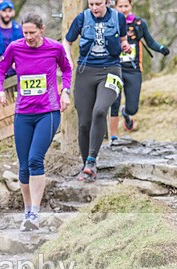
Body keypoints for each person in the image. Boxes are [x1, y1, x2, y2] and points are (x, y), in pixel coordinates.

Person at [0, 12, 72, 231]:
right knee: (24, 166)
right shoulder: (15, 48)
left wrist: (65, 91)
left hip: (48, 112)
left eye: (32, 32)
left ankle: (35, 213)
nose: (28, 37)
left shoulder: (55, 48)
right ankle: (27, 212)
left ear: (42, 29)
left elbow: (66, 69)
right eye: (25, 32)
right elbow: (0, 70)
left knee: (35, 159)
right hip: (23, 114)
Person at [65, 0, 132, 180]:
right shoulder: (82, 18)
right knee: (84, 122)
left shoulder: (118, 17)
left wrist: (125, 46)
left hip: (111, 70)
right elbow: (67, 40)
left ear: (107, 2)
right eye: (91, 3)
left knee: (100, 110)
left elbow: (123, 40)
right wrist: (68, 59)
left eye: (98, 3)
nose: (94, 8)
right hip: (85, 72)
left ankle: (92, 160)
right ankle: (86, 164)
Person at [108, 0, 170, 141]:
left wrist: (161, 48)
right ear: (115, 7)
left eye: (126, 6)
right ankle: (113, 137)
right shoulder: (110, 22)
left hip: (134, 70)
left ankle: (127, 113)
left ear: (131, 6)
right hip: (114, 68)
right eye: (120, 6)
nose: (123, 9)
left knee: (133, 108)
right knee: (114, 103)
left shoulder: (139, 23)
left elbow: (150, 41)